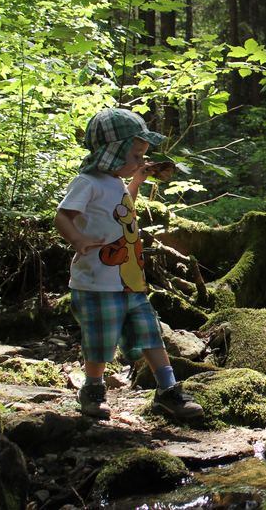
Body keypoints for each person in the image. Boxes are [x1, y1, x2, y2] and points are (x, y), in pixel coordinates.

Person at [54, 108, 203, 420]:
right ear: (111, 153)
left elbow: (125, 207)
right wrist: (78, 241)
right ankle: (93, 389)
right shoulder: (87, 182)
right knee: (99, 338)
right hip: (96, 281)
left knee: (150, 333)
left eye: (142, 156)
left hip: (128, 281)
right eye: (135, 155)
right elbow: (62, 216)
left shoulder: (117, 184)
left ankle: (167, 390)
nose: (140, 161)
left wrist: (137, 179)